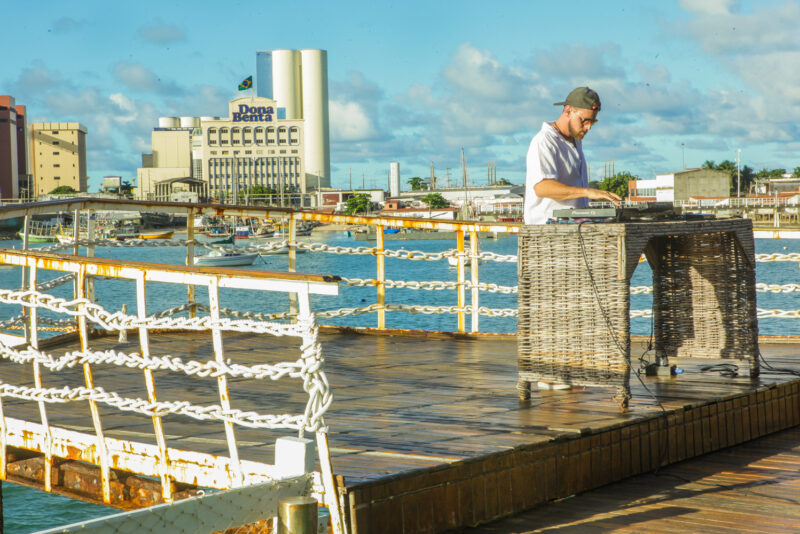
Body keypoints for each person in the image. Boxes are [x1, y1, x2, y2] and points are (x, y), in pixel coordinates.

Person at [523, 86, 621, 225]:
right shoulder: (544, 141)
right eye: (584, 121)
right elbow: (542, 187)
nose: (588, 127)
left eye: (592, 122)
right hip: (546, 231)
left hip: (571, 228)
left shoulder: (575, 140)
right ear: (568, 111)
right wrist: (588, 192)